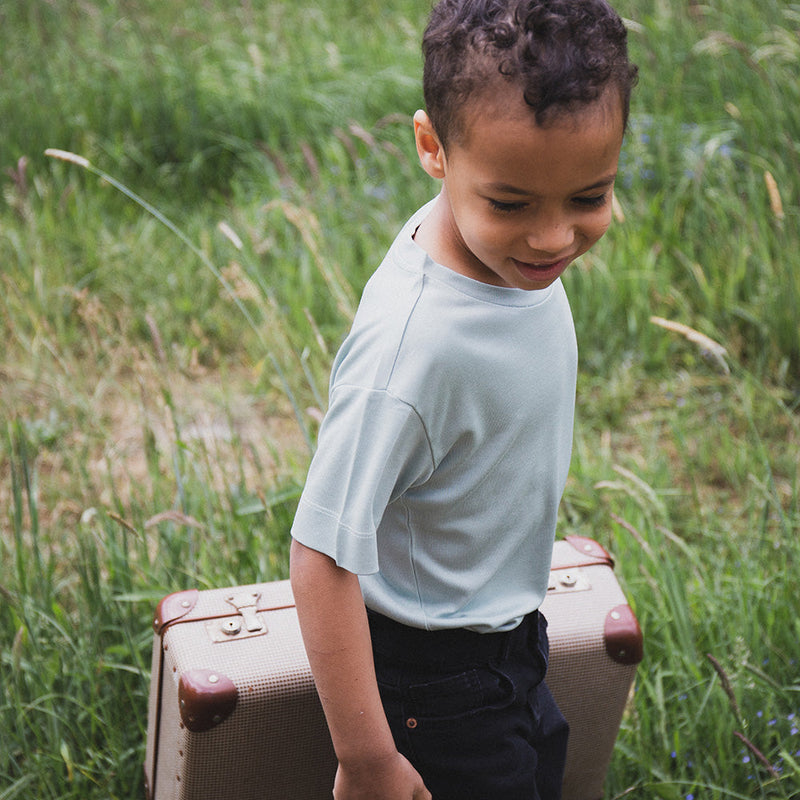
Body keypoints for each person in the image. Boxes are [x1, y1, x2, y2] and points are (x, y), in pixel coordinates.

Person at [289, 0, 638, 797]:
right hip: (432, 684)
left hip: (512, 641)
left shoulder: (498, 251)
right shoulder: (416, 348)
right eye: (512, 203)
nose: (553, 239)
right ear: (432, 150)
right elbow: (320, 555)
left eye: (589, 197)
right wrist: (369, 759)